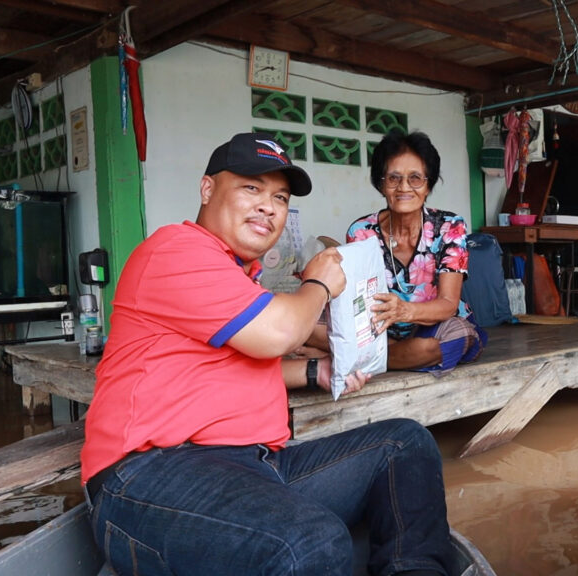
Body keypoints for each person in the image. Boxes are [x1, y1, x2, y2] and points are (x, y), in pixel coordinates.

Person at [80, 132, 454, 576]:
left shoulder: (237, 275)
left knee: (403, 444)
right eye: (251, 188)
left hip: (253, 466)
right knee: (312, 543)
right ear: (207, 189)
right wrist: (319, 283)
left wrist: (317, 370)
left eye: (279, 196)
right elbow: (278, 333)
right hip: (150, 477)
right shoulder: (176, 250)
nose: (268, 206)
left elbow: (236, 367)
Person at [345, 130, 486, 373]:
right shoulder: (361, 232)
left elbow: (448, 305)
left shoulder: (449, 226)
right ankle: (387, 355)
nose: (404, 188)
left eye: (415, 178)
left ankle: (366, 358)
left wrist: (404, 310)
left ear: (428, 185)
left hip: (435, 326)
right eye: (393, 178)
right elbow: (357, 306)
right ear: (380, 185)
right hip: (380, 331)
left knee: (456, 335)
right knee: (314, 325)